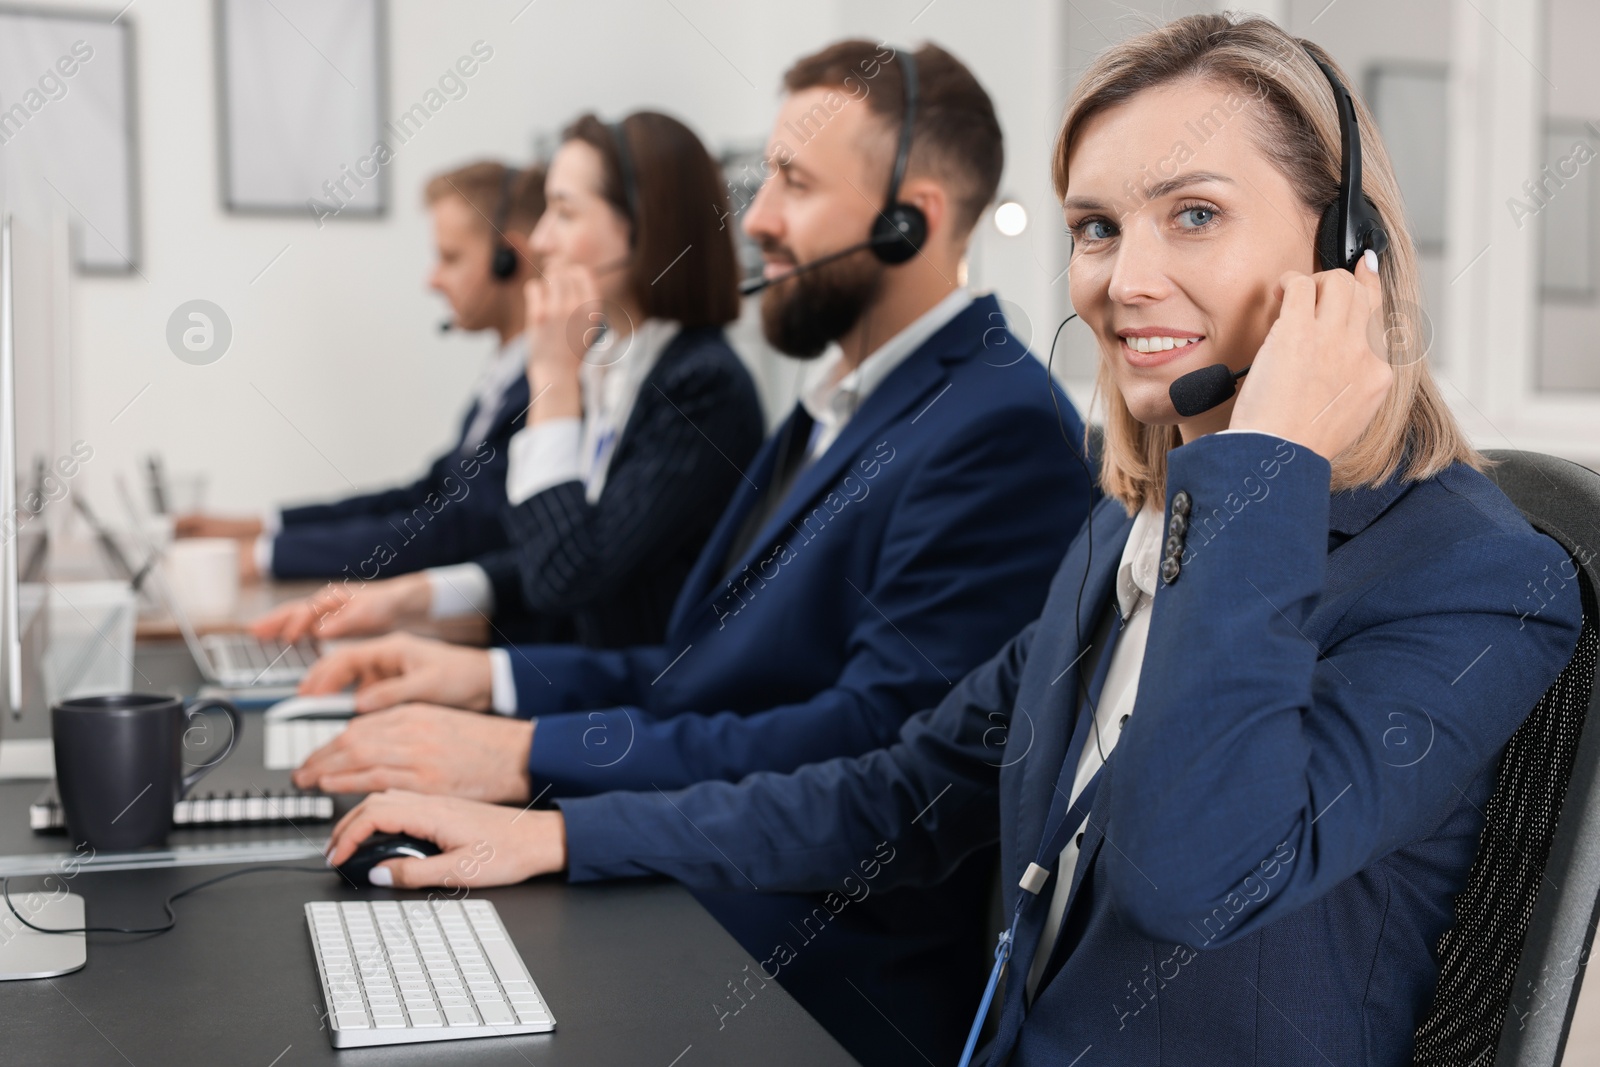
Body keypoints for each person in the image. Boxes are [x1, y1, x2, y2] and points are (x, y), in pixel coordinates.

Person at [323, 15, 1585, 1066]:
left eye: (1191, 214)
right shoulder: (1125, 529)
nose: (1122, 279)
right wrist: (557, 834)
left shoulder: (1479, 577)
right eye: (1096, 227)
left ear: (1344, 254)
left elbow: (1196, 870)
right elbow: (900, 788)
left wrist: (1263, 466)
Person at [297, 41, 1096, 1065]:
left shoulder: (994, 425)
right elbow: (696, 673)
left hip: (808, 964)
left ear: (913, 219)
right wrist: (484, 683)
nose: (755, 219)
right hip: (702, 873)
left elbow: (858, 752)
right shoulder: (836, 404)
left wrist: (528, 761)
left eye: (794, 185)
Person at [252, 112, 765, 650]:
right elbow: (542, 555)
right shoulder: (618, 367)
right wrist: (410, 596)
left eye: (564, 213)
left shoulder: (702, 388)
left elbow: (568, 578)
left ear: (644, 228)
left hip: (627, 715)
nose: (541, 241)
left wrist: (552, 379)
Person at [178, 162, 545, 588]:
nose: (432, 280)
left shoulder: (547, 389)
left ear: (510, 260)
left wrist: (266, 557)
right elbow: (422, 497)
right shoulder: (504, 378)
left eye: (450, 258)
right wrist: (263, 527)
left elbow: (455, 531)